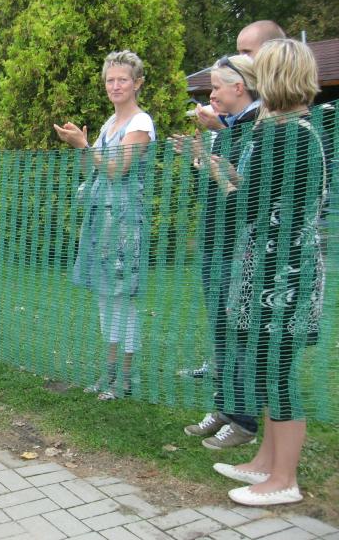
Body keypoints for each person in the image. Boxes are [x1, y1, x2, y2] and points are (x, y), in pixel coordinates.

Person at [206, 39, 325, 506]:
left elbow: (249, 207)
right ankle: (266, 463)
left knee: (277, 372)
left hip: (283, 275)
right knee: (267, 367)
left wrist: (221, 177)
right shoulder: (290, 128)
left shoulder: (286, 134)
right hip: (272, 267)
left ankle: (284, 480)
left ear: (274, 77)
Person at [54, 50, 156, 400]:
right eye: (110, 80)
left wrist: (85, 145)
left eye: (122, 79)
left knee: (122, 300)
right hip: (101, 222)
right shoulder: (108, 124)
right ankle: (108, 373)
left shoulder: (140, 124)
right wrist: (81, 148)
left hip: (125, 225)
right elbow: (92, 170)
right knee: (104, 298)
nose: (115, 86)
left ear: (137, 83)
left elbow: (116, 170)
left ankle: (125, 379)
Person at [173, 55, 263, 448]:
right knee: (222, 330)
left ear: (238, 87)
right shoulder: (226, 130)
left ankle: (243, 420)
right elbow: (212, 192)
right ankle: (225, 407)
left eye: (215, 87)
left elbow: (244, 197)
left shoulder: (256, 128)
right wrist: (198, 161)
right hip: (215, 242)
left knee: (239, 331)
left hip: (239, 247)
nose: (210, 96)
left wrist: (215, 164)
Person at [196, 20, 286, 131]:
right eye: (239, 52)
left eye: (246, 52)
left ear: (271, 52)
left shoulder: (288, 96)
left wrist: (221, 129)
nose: (240, 58)